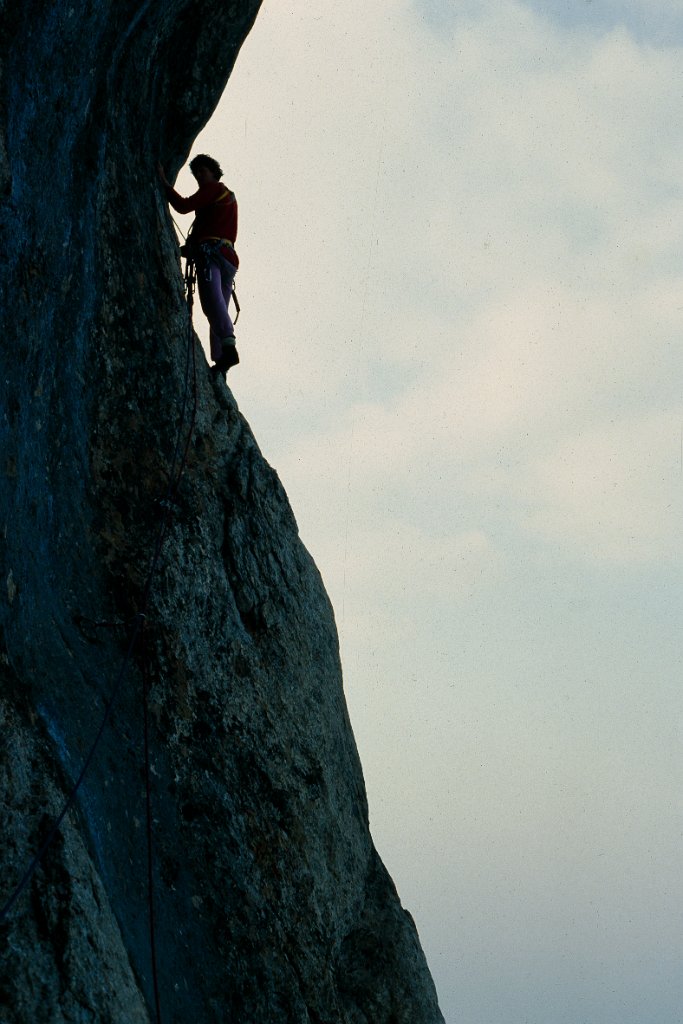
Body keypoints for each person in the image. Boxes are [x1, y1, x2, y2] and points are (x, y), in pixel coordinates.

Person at [159, 154, 240, 375]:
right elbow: (212, 225)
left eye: (202, 171)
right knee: (219, 307)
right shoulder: (225, 197)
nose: (199, 177)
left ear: (213, 172)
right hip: (227, 257)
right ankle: (221, 361)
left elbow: (183, 206)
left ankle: (229, 349)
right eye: (196, 174)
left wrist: (165, 184)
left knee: (211, 302)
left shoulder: (213, 188)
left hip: (212, 255)